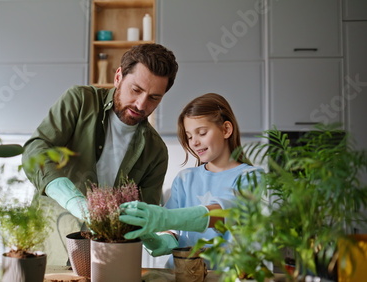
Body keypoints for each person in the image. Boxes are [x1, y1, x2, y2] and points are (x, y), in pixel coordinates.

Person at [22, 43, 179, 221]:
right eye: (136, 90)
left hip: (109, 244)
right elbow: (35, 150)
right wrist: (73, 200)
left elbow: (144, 216)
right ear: (118, 77)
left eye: (154, 98)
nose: (141, 105)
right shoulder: (80, 101)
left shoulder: (156, 151)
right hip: (52, 231)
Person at [119, 93, 262, 264]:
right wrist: (159, 241)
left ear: (226, 130)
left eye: (201, 133)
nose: (194, 142)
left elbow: (227, 213)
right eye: (189, 136)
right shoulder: (185, 179)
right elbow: (175, 232)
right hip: (180, 273)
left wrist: (165, 217)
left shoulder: (251, 177)